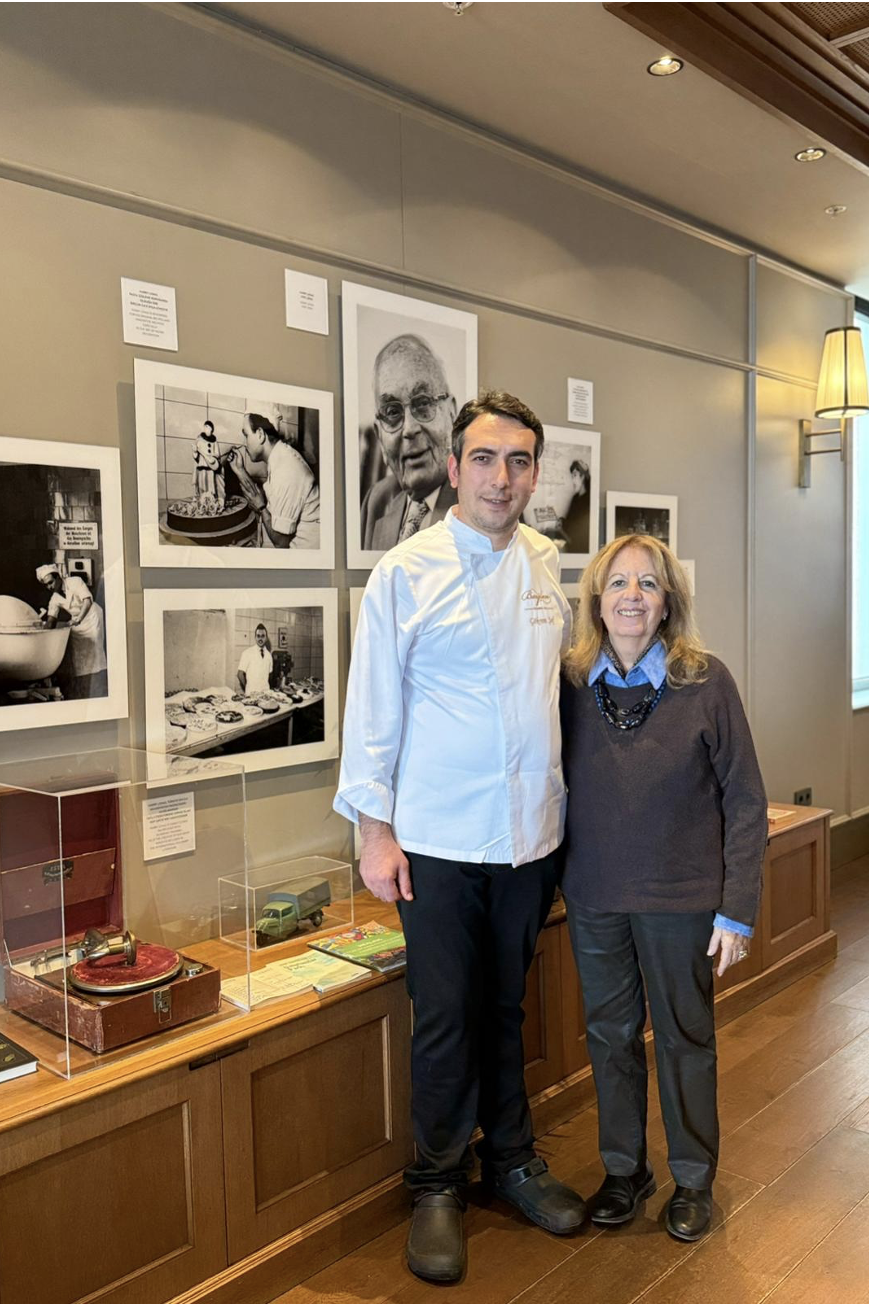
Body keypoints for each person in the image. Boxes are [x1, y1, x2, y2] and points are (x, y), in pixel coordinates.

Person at [336, 390, 586, 1284]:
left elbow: (554, 698)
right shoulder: (404, 572)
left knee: (507, 1007)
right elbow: (373, 712)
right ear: (453, 468)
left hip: (529, 837)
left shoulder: (547, 565)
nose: (501, 477)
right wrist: (374, 833)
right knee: (444, 1015)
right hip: (436, 840)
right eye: (484, 458)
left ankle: (511, 1159)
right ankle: (437, 1181)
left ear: (534, 474)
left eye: (519, 461)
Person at [559, 535, 767, 1242]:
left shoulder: (705, 681)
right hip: (594, 895)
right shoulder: (569, 683)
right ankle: (624, 1170)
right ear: (597, 599)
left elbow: (746, 799)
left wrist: (737, 910)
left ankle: (693, 1178)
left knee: (684, 1037)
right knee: (610, 1037)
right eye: (618, 583)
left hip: (682, 899)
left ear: (669, 600)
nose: (632, 596)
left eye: (648, 583)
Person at [360, 334, 458, 551]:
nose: (409, 429)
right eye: (392, 412)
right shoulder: (377, 501)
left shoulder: (482, 502)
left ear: (452, 415)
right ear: (379, 436)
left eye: (423, 403)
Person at [232, 412, 320, 549]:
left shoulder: (286, 468)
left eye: (246, 435)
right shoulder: (280, 457)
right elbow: (258, 496)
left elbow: (281, 542)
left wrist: (261, 507)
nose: (244, 443)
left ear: (260, 434)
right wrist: (239, 470)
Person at [37, 564, 107, 699]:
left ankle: (98, 684)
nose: (49, 587)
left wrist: (79, 619)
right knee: (78, 657)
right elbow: (51, 620)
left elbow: (87, 601)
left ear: (58, 578)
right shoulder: (54, 599)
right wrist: (41, 633)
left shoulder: (75, 582)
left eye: (51, 582)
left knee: (95, 652)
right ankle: (84, 687)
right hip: (76, 622)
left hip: (91, 618)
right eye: (46, 585)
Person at [194, 420, 227, 511]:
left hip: (211, 467)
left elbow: (217, 454)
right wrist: (195, 452)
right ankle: (202, 505)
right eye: (205, 427)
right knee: (202, 485)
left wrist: (211, 457)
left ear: (212, 429)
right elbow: (196, 455)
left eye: (208, 427)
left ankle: (212, 504)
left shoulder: (214, 441)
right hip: (202, 466)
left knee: (211, 485)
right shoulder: (199, 439)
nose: (206, 429)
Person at [562, 459, 590, 554]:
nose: (572, 480)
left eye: (575, 475)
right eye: (572, 476)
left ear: (582, 477)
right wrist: (562, 521)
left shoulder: (588, 500)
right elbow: (571, 522)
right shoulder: (575, 498)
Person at [237, 623, 273, 696]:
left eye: (263, 636)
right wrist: (248, 687)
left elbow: (270, 675)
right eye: (258, 636)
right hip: (251, 695)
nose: (260, 639)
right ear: (255, 637)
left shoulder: (269, 655)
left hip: (266, 695)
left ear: (266, 638)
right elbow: (240, 674)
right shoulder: (247, 653)